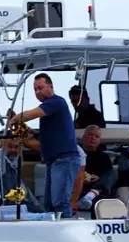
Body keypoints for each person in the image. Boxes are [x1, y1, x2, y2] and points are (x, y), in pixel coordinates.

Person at [7, 73, 81, 218]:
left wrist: (15, 119)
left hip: (64, 160)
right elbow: (45, 134)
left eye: (40, 88)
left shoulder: (56, 102)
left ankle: (65, 228)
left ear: (50, 87)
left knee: (60, 203)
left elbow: (31, 114)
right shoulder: (50, 110)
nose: (37, 92)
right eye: (35, 89)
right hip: (53, 162)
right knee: (48, 204)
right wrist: (30, 131)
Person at [0, 138, 43, 213]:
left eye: (16, 147)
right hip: (9, 206)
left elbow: (24, 187)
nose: (13, 150)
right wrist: (1, 150)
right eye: (10, 147)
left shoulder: (15, 162)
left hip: (23, 203)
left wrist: (36, 205)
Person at [75, 125, 118, 213]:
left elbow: (108, 176)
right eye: (90, 135)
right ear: (83, 137)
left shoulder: (104, 157)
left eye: (96, 136)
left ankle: (92, 194)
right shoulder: (75, 154)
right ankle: (91, 195)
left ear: (99, 141)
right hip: (78, 185)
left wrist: (98, 178)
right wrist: (82, 178)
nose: (93, 138)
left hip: (99, 190)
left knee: (113, 173)